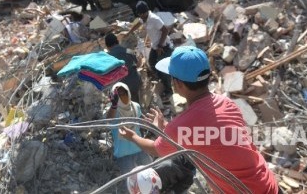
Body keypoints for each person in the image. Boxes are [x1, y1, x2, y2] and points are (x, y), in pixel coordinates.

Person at [119, 46, 279, 193]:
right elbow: (208, 136)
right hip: (268, 183)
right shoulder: (226, 103)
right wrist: (166, 130)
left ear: (177, 83)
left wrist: (132, 136)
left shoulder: (184, 124)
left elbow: (156, 149)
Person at [126, 1, 173, 99]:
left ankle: (169, 90)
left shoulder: (154, 19)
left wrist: (160, 46)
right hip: (155, 46)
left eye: (143, 13)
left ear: (146, 11)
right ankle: (162, 80)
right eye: (139, 14)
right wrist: (129, 32)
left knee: (162, 68)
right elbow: (139, 23)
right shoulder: (144, 18)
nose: (141, 16)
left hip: (163, 46)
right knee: (151, 62)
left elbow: (165, 30)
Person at [107, 82, 152, 179]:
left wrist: (148, 121)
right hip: (123, 154)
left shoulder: (135, 106)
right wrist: (114, 105)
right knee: (132, 182)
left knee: (150, 174)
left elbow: (140, 119)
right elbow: (109, 120)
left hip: (140, 148)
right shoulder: (113, 110)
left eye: (124, 93)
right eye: (118, 95)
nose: (122, 97)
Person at [127, 155, 195, 194]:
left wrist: (173, 191)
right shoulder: (149, 177)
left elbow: (189, 178)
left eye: (153, 192)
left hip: (187, 170)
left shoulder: (169, 168)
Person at [105, 33, 142, 103]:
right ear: (117, 42)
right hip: (134, 82)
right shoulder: (129, 51)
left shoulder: (108, 57)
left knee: (123, 106)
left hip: (121, 87)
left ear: (107, 46)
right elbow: (139, 64)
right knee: (135, 103)